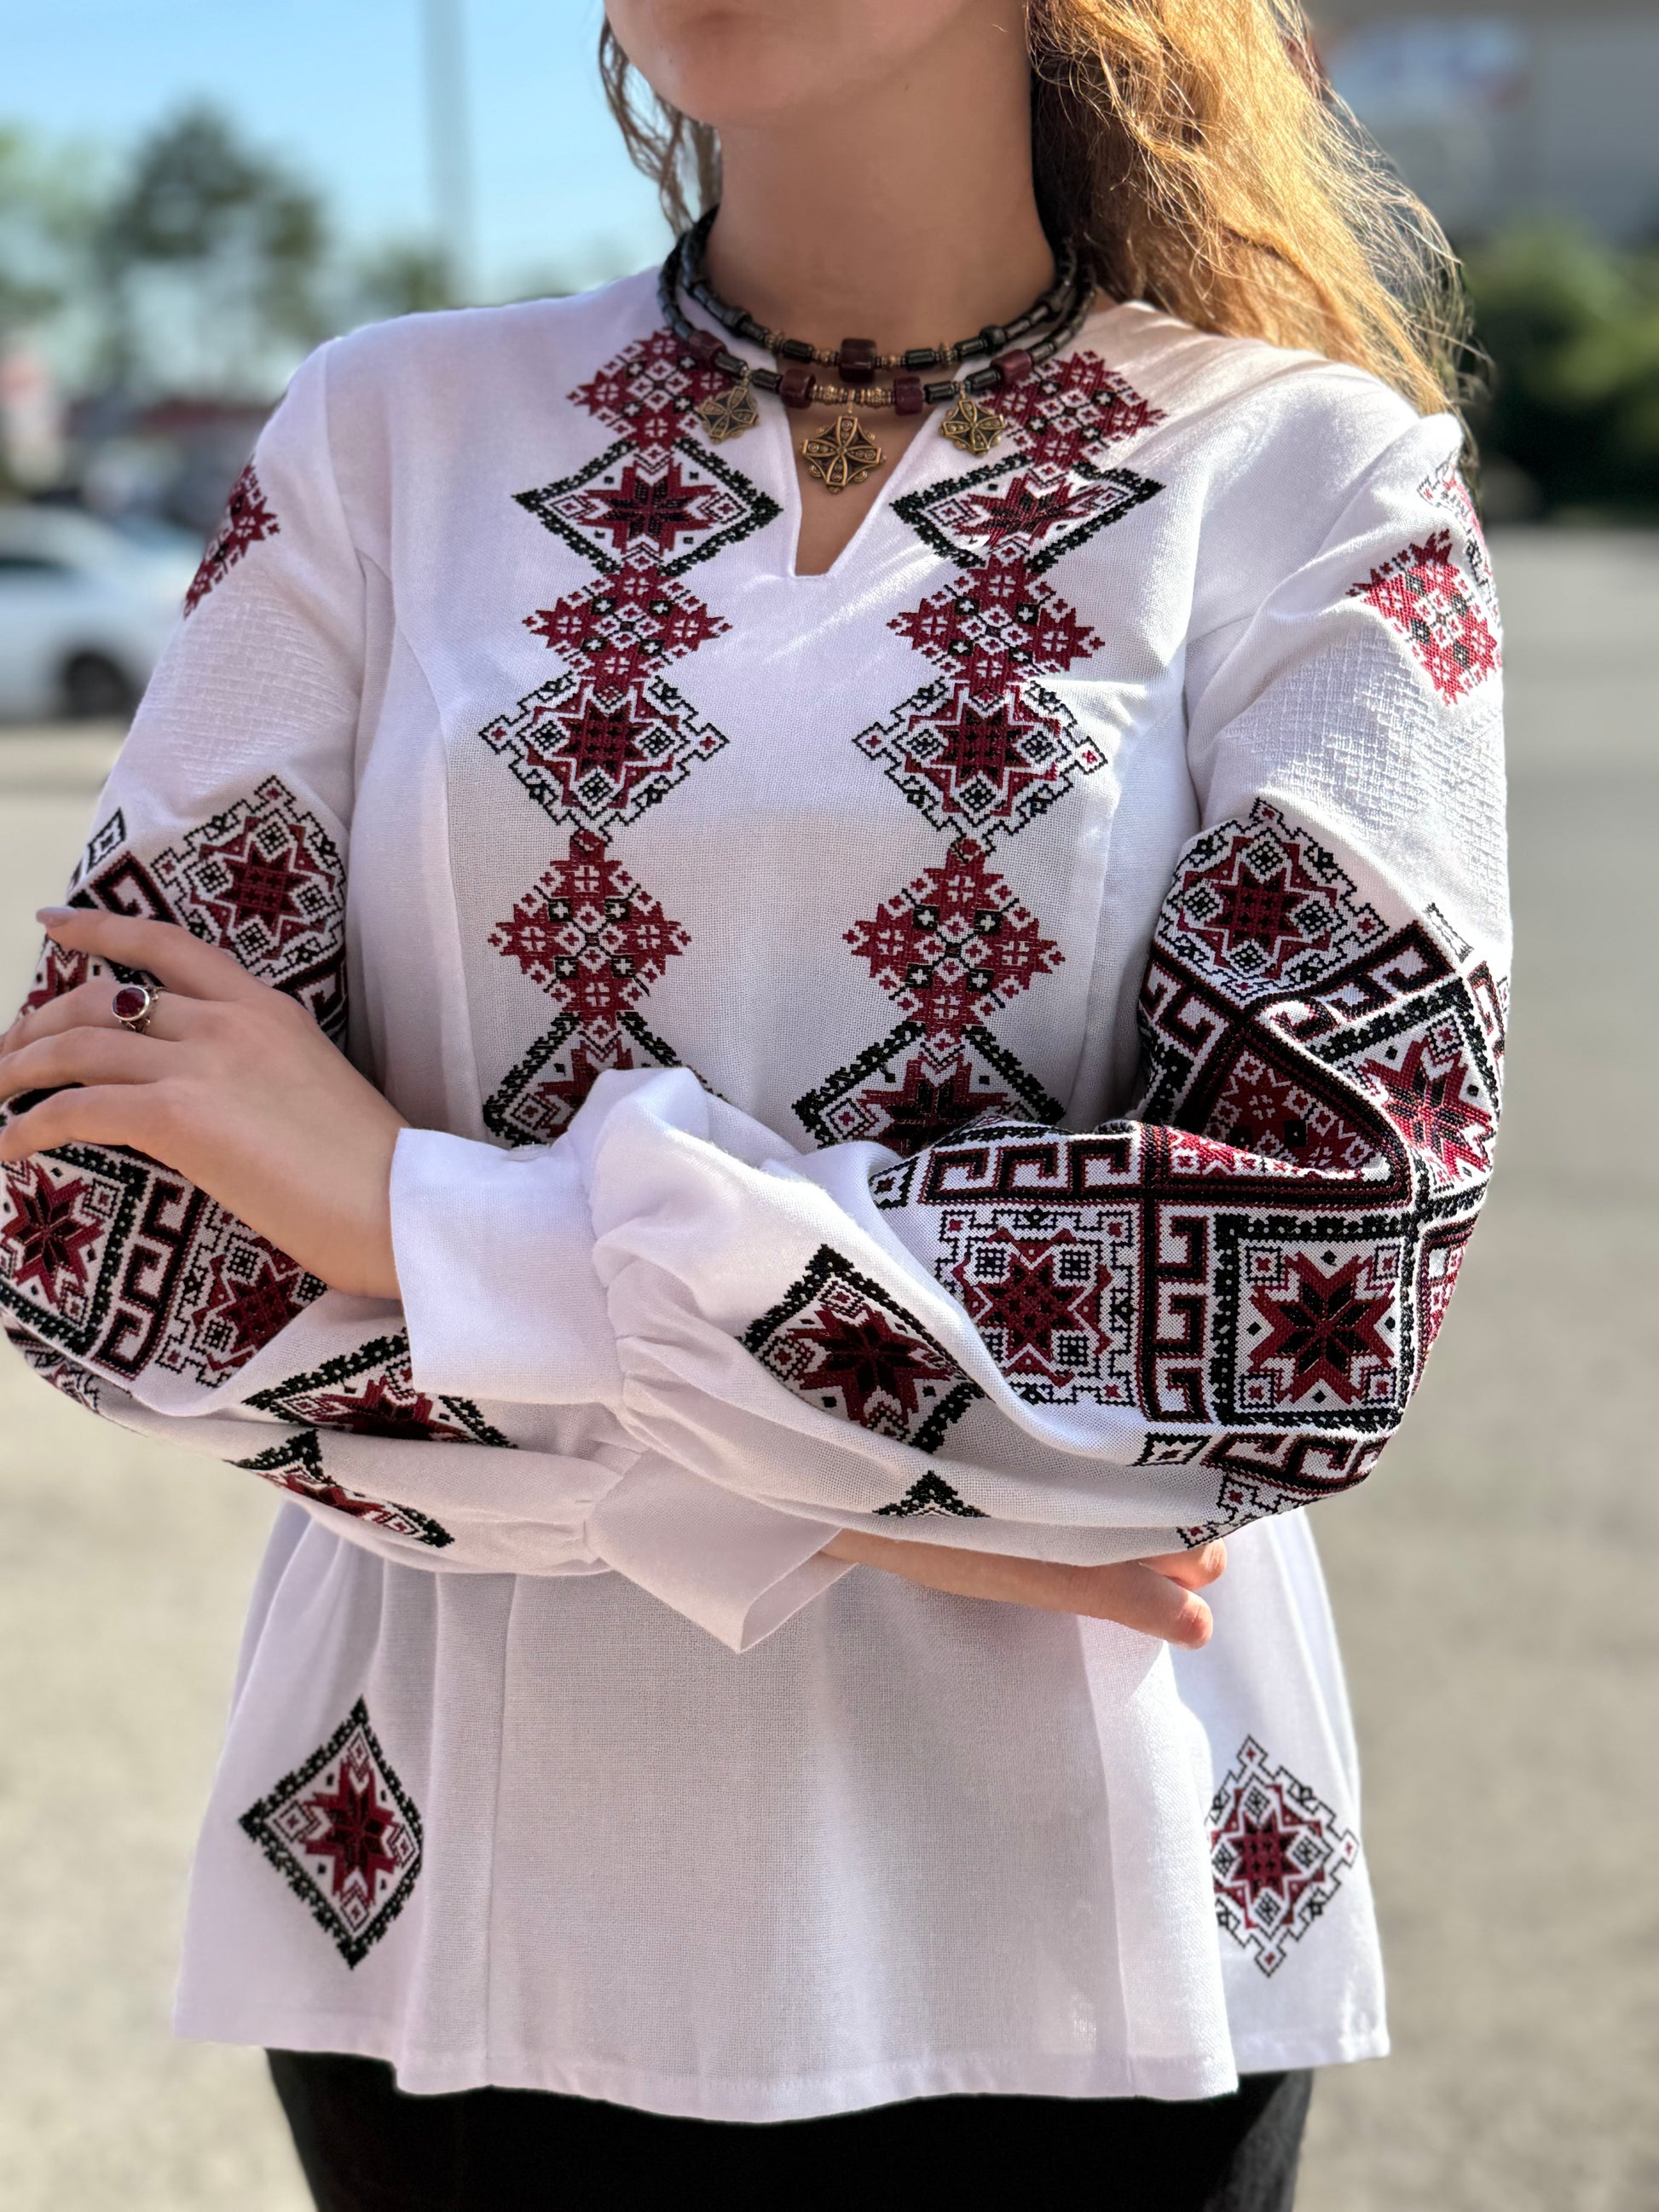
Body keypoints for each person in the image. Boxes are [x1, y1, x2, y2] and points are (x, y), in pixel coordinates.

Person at [0, 2, 1508, 2204]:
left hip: (1076, 1934)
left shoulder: (1314, 482)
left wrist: (420, 1217)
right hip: (455, 1904)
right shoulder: (382, 437)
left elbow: (1307, 1296)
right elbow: (101, 1237)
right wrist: (918, 1492)